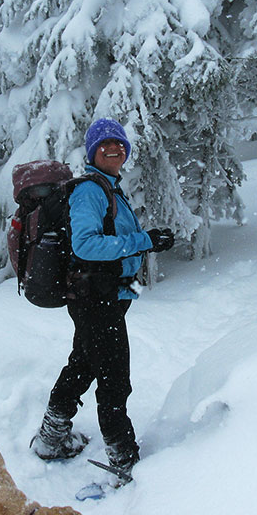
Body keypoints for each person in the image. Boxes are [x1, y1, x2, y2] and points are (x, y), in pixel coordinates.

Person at [30, 118, 174, 484]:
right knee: (114, 382)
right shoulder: (90, 191)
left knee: (83, 365)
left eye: (120, 144)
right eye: (105, 144)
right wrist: (144, 241)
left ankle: (50, 439)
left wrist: (147, 240)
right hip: (95, 299)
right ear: (93, 151)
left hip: (101, 296)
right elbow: (86, 244)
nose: (115, 149)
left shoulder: (108, 188)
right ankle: (124, 462)